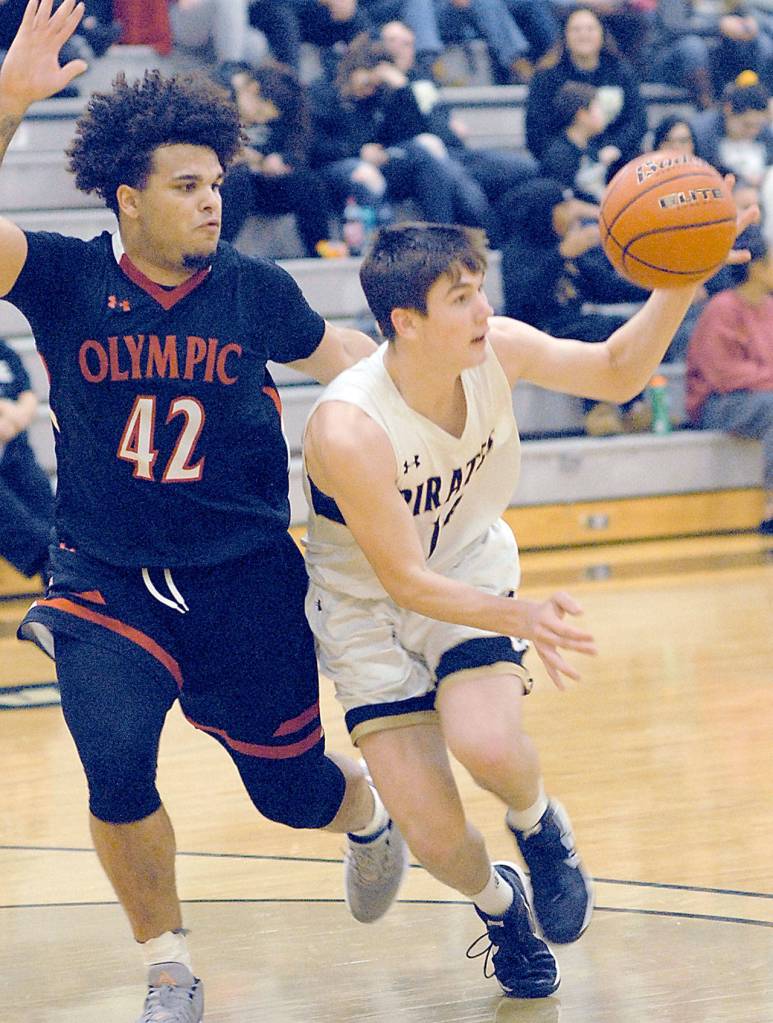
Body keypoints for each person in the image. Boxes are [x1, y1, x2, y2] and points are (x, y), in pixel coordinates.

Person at [0, 3, 407, 1022]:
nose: (211, 202)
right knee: (114, 761)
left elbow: (350, 363)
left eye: (217, 184)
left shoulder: (254, 289)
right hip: (105, 575)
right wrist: (10, 98)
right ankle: (169, 966)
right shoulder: (63, 278)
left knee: (290, 792)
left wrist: (436, 400)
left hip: (245, 576)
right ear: (127, 198)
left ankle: (362, 811)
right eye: (187, 186)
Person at [299, 215, 753, 1000]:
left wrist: (677, 283)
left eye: (481, 293)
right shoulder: (348, 427)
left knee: (488, 744)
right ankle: (499, 905)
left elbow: (614, 370)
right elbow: (403, 580)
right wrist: (526, 618)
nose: (484, 312)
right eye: (462, 298)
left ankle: (539, 821)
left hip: (468, 562)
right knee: (437, 838)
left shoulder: (496, 350)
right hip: (368, 608)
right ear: (405, 321)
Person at [497, 177, 651, 435]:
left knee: (618, 327)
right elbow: (522, 301)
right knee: (591, 334)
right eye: (564, 207)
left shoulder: (567, 244)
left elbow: (605, 287)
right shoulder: (518, 251)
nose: (571, 214)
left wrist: (658, 288)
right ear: (544, 213)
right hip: (535, 331)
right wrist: (561, 256)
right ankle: (597, 408)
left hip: (573, 323)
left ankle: (634, 405)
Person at [686, 224, 773, 534]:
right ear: (756, 268)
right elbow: (724, 374)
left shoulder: (770, 307)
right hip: (718, 403)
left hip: (759, 396)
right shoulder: (721, 308)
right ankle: (770, 507)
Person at [213, 59, 335, 257]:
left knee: (308, 183)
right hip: (224, 178)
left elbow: (297, 145)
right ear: (252, 89)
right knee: (239, 180)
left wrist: (282, 159)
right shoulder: (216, 94)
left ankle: (321, 250)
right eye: (260, 112)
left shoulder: (281, 102)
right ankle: (216, 254)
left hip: (260, 176)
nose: (259, 120)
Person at [525, 7, 647, 165]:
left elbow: (637, 120)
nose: (583, 35)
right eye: (576, 29)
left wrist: (616, 148)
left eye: (590, 29)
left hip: (617, 161)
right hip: (564, 164)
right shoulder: (545, 78)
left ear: (602, 34)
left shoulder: (621, 72)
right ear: (565, 36)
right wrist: (567, 157)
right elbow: (536, 132)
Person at [0, 335, 54, 581]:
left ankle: (57, 576)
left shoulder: (3, 350)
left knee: (49, 509)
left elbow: (28, 395)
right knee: (18, 522)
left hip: (15, 453)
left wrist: (13, 416)